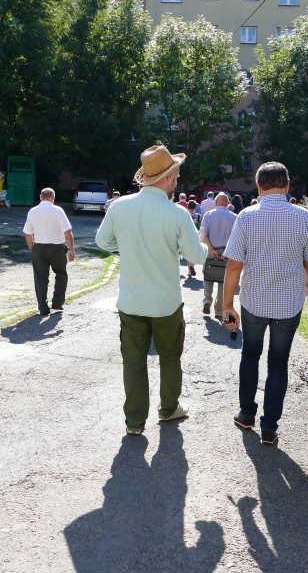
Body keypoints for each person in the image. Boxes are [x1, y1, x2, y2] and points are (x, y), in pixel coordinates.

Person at [96, 144, 210, 436]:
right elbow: (195, 256)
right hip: (166, 302)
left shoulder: (120, 206)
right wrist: (206, 246)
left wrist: (128, 247)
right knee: (170, 356)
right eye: (177, 176)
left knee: (133, 362)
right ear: (170, 178)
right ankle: (169, 408)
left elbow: (103, 242)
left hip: (131, 300)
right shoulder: (178, 214)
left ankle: (134, 422)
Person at [222, 162, 308, 445]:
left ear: (258, 186)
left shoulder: (246, 217)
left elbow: (232, 266)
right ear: (287, 185)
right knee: (279, 362)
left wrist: (227, 304)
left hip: (254, 300)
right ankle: (269, 428)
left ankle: (246, 414)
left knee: (250, 354)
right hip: (289, 303)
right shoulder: (303, 217)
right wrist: (306, 284)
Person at [23, 188, 76, 315]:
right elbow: (67, 232)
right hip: (57, 248)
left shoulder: (32, 211)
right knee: (61, 274)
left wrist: (32, 247)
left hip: (39, 248)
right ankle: (57, 303)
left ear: (41, 197)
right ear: (53, 197)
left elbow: (28, 233)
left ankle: (42, 307)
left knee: (40, 277)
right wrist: (71, 249)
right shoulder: (58, 210)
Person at [199, 192, 236, 321]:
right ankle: (219, 310)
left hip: (210, 250)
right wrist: (226, 252)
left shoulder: (208, 215)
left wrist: (211, 249)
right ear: (227, 203)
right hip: (227, 252)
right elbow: (236, 239)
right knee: (223, 281)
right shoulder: (234, 217)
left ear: (216, 203)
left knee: (208, 276)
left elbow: (203, 235)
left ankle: (207, 300)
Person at [185, 199, 202, 277]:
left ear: (187, 206)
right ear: (195, 207)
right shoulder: (198, 216)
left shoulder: (184, 215)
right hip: (195, 235)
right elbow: (201, 226)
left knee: (188, 252)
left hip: (186, 234)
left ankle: (189, 269)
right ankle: (192, 265)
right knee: (193, 252)